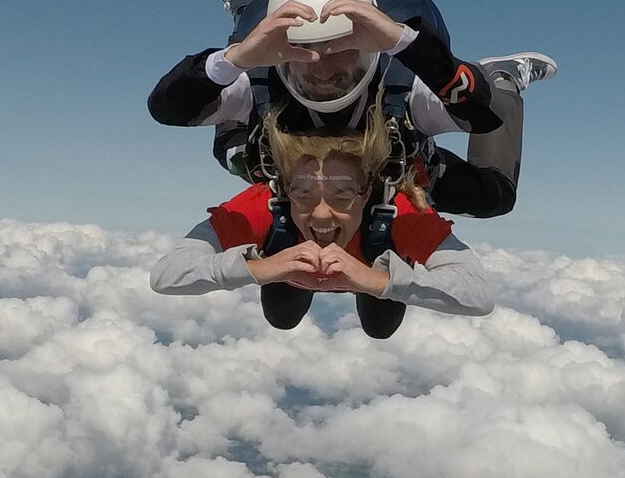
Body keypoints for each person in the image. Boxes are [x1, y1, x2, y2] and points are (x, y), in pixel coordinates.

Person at [148, 0, 552, 219]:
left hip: (397, 169)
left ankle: (504, 75)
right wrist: (239, 58)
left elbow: (486, 114)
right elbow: (168, 108)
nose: (321, 70)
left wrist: (404, 43)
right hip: (296, 166)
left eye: (341, 49)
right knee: (237, 150)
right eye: (304, 52)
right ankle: (250, 15)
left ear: (370, 48)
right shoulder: (261, 74)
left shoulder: (403, 84)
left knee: (493, 198)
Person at [148, 103, 493, 337]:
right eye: (302, 193)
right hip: (293, 267)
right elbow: (166, 275)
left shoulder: (398, 211)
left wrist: (373, 280)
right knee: (282, 319)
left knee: (380, 327)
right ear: (284, 189)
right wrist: (261, 267)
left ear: (367, 191)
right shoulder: (265, 204)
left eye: (342, 195)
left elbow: (478, 295)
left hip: (374, 268)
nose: (322, 213)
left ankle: (501, 87)